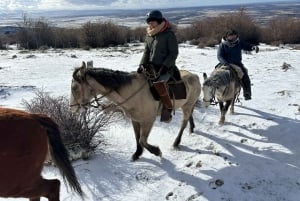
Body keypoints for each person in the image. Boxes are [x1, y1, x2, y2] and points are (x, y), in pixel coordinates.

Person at [137, 10, 179, 122]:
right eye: (149, 22)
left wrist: (165, 66)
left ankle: (167, 110)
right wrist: (142, 64)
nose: (151, 24)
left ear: (159, 21)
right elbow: (146, 52)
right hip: (151, 67)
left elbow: (173, 53)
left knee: (160, 83)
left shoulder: (168, 34)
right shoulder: (149, 35)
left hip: (166, 68)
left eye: (153, 22)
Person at [217, 29, 259, 100]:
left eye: (234, 36)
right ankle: (212, 91)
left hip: (237, 64)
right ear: (227, 37)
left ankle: (247, 93)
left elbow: (247, 46)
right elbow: (219, 56)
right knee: (215, 75)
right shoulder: (222, 45)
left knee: (245, 75)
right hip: (225, 63)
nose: (233, 37)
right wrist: (225, 63)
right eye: (231, 36)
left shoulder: (239, 43)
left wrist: (253, 47)